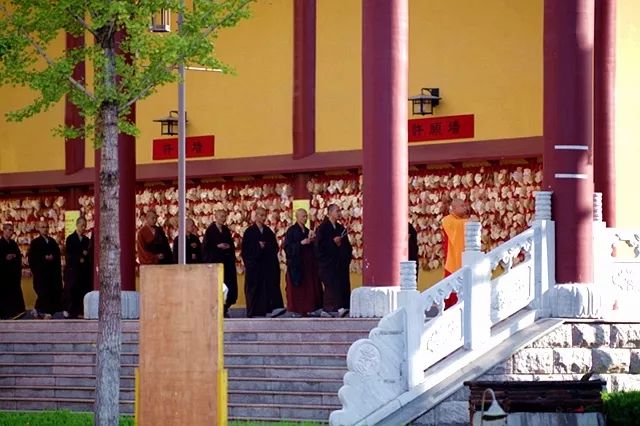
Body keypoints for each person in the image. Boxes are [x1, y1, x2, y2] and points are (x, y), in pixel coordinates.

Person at [241, 207, 284, 318]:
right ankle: (254, 311)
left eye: (265, 215)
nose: (263, 218)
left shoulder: (268, 231)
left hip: (267, 266)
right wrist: (258, 246)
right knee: (255, 289)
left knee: (270, 286)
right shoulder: (249, 232)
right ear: (256, 216)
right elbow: (246, 250)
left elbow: (274, 247)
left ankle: (270, 309)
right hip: (255, 267)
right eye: (261, 215)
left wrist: (265, 246)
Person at [314, 204, 352, 317]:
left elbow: (347, 247)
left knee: (341, 284)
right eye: (337, 211)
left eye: (339, 211)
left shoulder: (340, 228)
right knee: (331, 286)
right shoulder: (322, 228)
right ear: (330, 213)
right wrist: (332, 242)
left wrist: (340, 245)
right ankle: (331, 308)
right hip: (328, 264)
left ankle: (342, 307)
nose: (339, 213)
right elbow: (319, 247)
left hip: (339, 263)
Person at [283, 209, 323, 317]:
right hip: (297, 265)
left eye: (306, 216)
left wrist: (312, 240)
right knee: (298, 289)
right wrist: (300, 243)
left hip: (308, 265)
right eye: (303, 216)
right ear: (297, 217)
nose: (305, 218)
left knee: (309, 287)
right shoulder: (291, 231)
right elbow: (287, 248)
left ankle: (310, 308)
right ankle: (297, 310)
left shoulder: (307, 231)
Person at [202, 210, 238, 317]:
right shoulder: (210, 231)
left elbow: (231, 245)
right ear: (216, 217)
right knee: (217, 287)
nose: (223, 218)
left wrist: (228, 246)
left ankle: (225, 307)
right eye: (221, 216)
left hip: (227, 263)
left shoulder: (226, 230)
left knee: (229, 286)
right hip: (216, 263)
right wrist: (217, 247)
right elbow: (206, 248)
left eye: (224, 216)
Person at [28, 221, 63, 318]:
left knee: (52, 293)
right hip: (41, 274)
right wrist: (44, 258)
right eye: (43, 227)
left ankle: (46, 311)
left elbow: (57, 255)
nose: (45, 229)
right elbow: (32, 258)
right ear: (39, 229)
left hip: (52, 274)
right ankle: (41, 311)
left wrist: (53, 257)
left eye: (47, 227)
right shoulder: (35, 243)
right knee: (43, 293)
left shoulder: (52, 241)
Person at [441, 197, 470, 308]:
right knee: (452, 294)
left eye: (465, 205)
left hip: (464, 260)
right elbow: (458, 226)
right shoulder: (447, 220)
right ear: (453, 208)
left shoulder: (462, 220)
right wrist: (470, 222)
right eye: (462, 206)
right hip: (452, 262)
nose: (465, 208)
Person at [63, 217, 93, 318]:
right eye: (82, 225)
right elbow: (69, 254)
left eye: (85, 226)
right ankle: (69, 310)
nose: (83, 228)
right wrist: (79, 257)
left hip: (83, 271)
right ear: (77, 225)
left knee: (81, 291)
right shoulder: (70, 238)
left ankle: (79, 311)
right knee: (71, 291)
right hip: (73, 270)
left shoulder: (86, 240)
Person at [0, 223, 25, 319]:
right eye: (9, 230)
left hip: (13, 274)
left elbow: (18, 255)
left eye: (12, 230)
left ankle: (16, 312)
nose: (11, 232)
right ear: (4, 230)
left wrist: (14, 256)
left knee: (15, 293)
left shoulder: (13, 243)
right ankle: (5, 314)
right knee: (5, 295)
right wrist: (5, 257)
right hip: (3, 275)